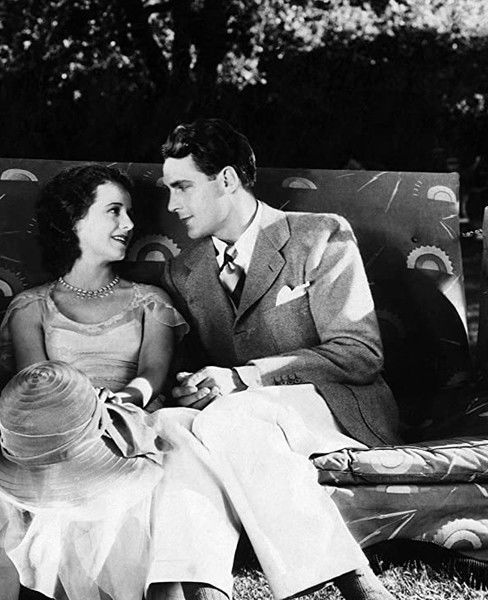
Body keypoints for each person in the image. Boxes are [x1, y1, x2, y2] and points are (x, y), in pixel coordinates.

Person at [0, 163, 396, 600]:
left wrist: (126, 399)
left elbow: (150, 376)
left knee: (177, 433)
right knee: (174, 435)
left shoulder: (151, 299)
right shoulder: (33, 305)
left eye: (131, 212)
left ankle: (201, 588)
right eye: (114, 212)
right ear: (73, 221)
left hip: (136, 413)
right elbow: (35, 382)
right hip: (56, 423)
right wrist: (80, 411)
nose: (130, 224)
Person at [160, 118, 402, 599]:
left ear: (227, 179)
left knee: (232, 416)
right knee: (172, 424)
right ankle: (204, 590)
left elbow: (360, 353)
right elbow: (203, 369)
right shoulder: (184, 272)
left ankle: (356, 585)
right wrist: (192, 386)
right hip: (245, 420)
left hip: (339, 406)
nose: (171, 204)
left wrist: (242, 378)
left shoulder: (320, 235)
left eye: (182, 186)